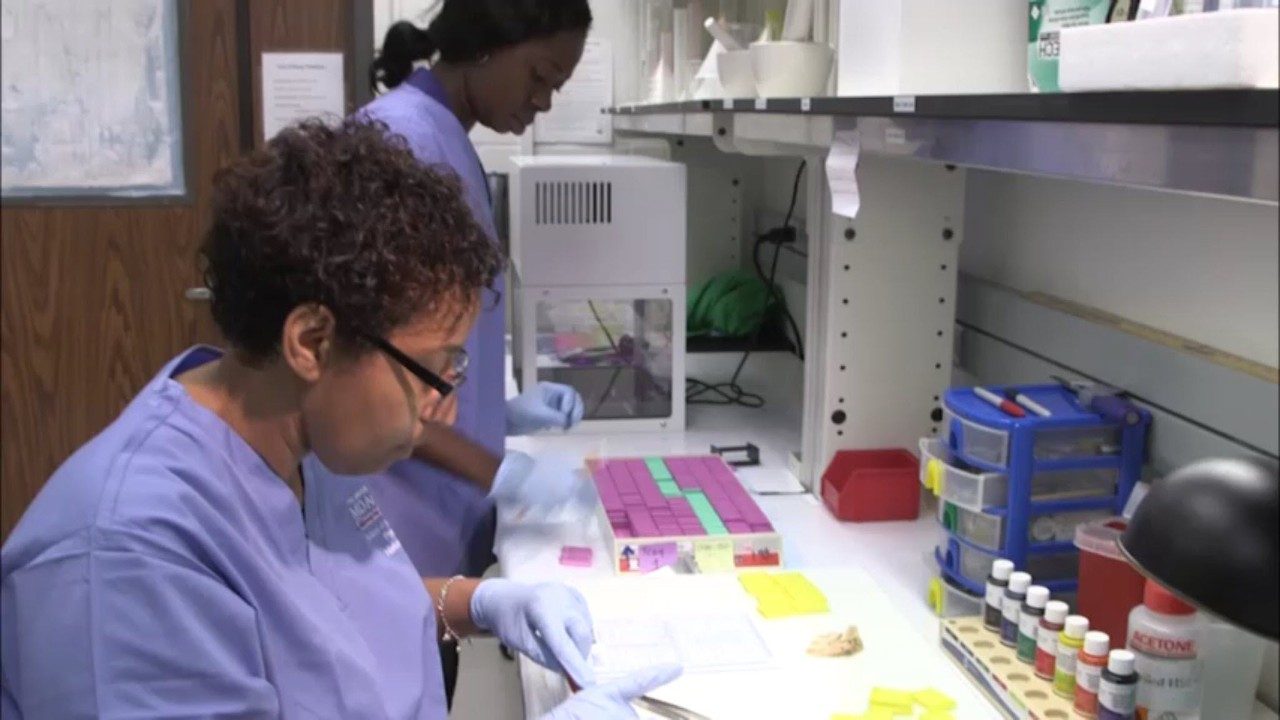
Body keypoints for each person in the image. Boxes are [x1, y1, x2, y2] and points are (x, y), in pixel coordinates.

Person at [0, 120, 679, 719]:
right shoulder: (128, 557)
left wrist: (476, 604)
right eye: (434, 368)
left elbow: (331, 610)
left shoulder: (297, 439)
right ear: (312, 342)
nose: (445, 403)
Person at [313, 0, 597, 702]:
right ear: (486, 44)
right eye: (539, 76)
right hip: (391, 517)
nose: (544, 101)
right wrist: (496, 469)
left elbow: (425, 339)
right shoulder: (401, 140)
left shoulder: (445, 135)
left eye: (558, 87)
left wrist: (499, 413)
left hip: (433, 530)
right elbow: (364, 371)